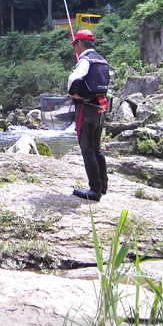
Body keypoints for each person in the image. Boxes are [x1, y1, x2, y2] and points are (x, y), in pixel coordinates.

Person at [67, 29, 110, 201]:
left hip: (85, 109)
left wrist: (72, 93)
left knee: (87, 149)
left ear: (79, 43)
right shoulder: (103, 61)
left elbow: (73, 79)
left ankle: (94, 190)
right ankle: (103, 185)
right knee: (97, 148)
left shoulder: (85, 60)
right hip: (100, 109)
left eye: (75, 45)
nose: (75, 49)